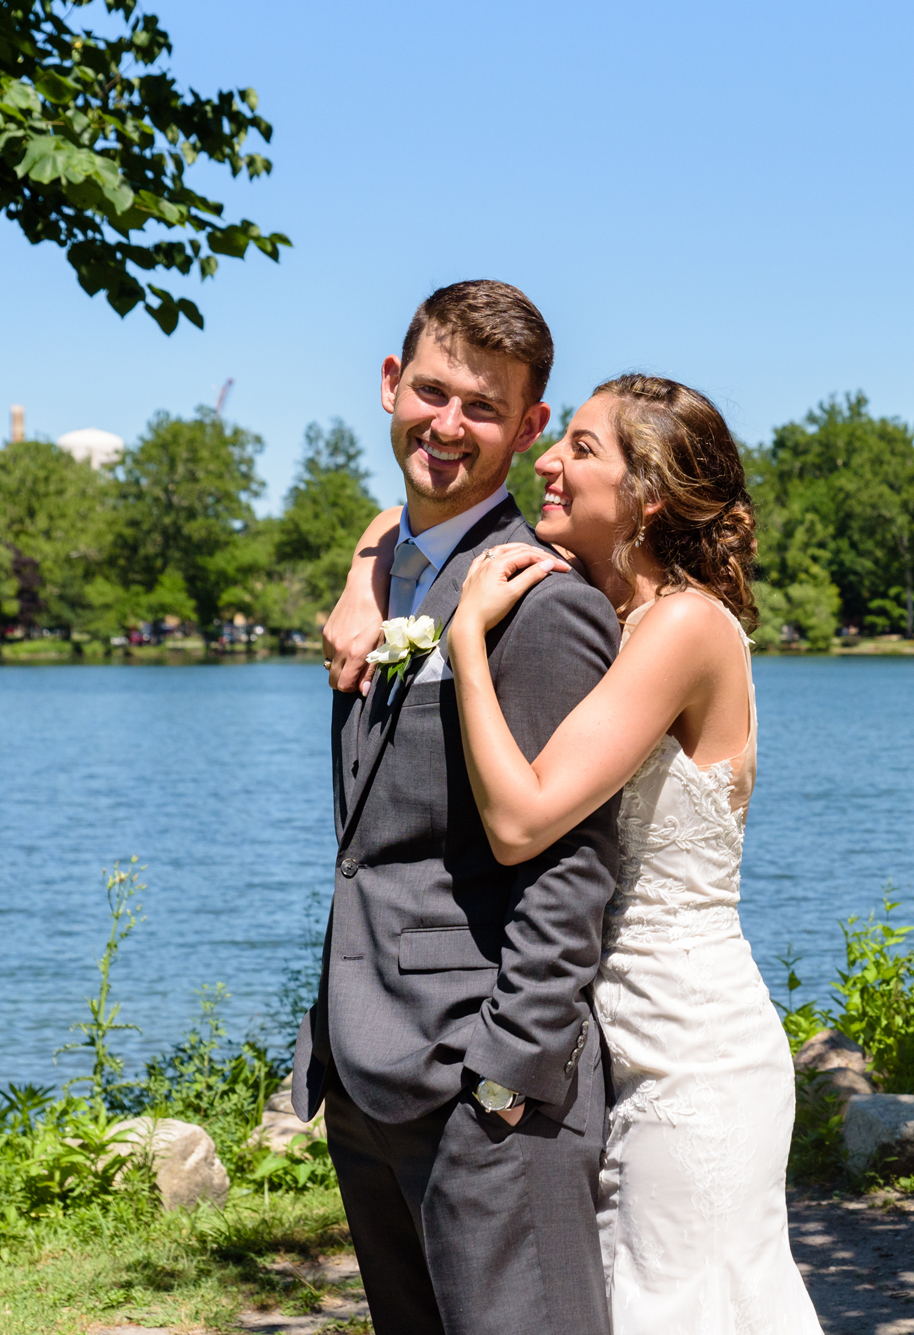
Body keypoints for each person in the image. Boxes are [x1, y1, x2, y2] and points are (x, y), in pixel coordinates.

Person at [327, 374, 822, 1333]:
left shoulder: (683, 625)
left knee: (681, 1306)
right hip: (606, 1036)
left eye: (582, 449)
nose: (547, 461)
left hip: (688, 1048)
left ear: (652, 496)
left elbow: (521, 823)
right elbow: (404, 515)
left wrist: (466, 638)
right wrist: (363, 573)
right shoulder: (605, 604)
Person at [294, 280, 620, 1335]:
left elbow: (572, 866)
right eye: (430, 391)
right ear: (390, 385)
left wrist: (508, 1072)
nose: (447, 424)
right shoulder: (390, 574)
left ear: (529, 430)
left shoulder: (542, 602)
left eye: (482, 408)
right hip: (365, 1074)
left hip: (478, 1089)